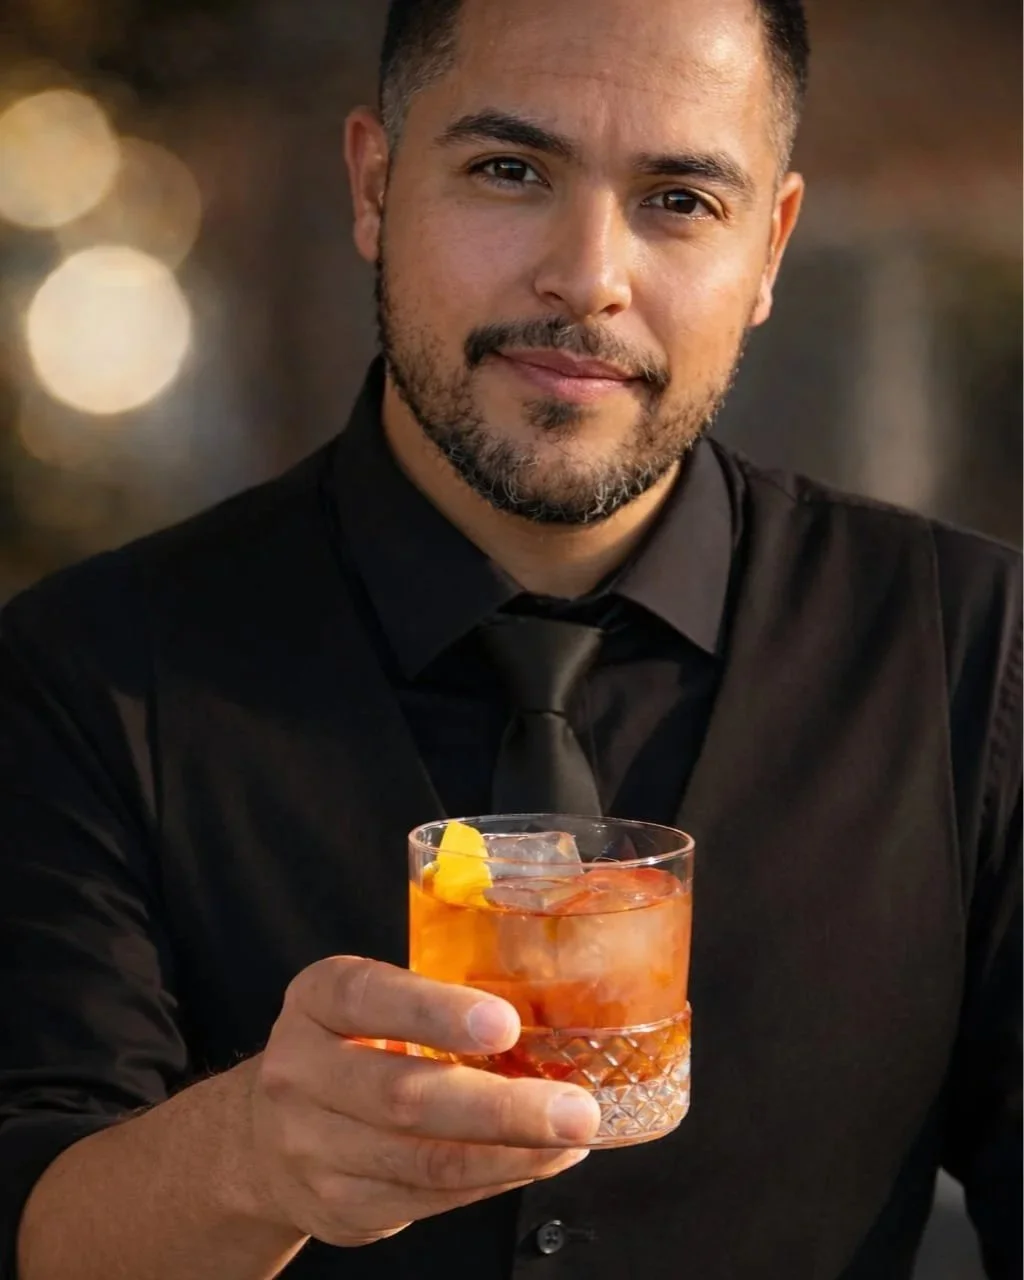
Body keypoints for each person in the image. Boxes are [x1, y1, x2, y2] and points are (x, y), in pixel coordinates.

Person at [0, 0, 1019, 1276]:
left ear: (769, 247)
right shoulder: (84, 671)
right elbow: (30, 1209)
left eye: (680, 200)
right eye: (508, 171)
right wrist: (248, 1161)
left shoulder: (976, 653)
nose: (587, 276)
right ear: (374, 187)